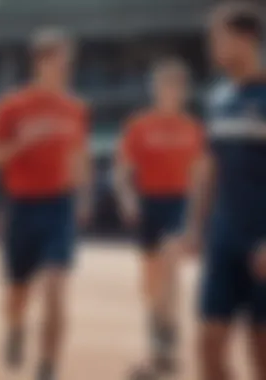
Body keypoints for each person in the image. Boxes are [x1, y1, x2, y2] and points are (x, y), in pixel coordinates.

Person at [0, 28, 91, 380]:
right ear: (39, 62)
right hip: (21, 207)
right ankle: (16, 327)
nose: (65, 67)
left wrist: (82, 196)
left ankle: (48, 367)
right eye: (57, 60)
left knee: (55, 286)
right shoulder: (12, 106)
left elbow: (78, 155)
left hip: (59, 207)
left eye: (68, 60)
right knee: (17, 293)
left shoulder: (75, 108)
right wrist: (20, 144)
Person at [179, 3, 266, 380]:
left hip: (261, 239)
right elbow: (208, 168)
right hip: (223, 239)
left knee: (261, 349)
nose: (211, 46)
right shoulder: (217, 99)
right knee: (208, 344)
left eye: (218, 37)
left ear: (246, 38)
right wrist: (194, 226)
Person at [114, 58, 203, 379]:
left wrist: (197, 219)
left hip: (178, 203)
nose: (171, 92)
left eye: (177, 86)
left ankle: (166, 341)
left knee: (170, 265)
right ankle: (159, 333)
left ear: (184, 91)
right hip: (148, 203)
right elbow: (123, 171)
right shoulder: (139, 125)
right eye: (165, 85)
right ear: (155, 89)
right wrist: (127, 199)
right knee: (151, 282)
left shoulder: (192, 128)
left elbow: (199, 176)